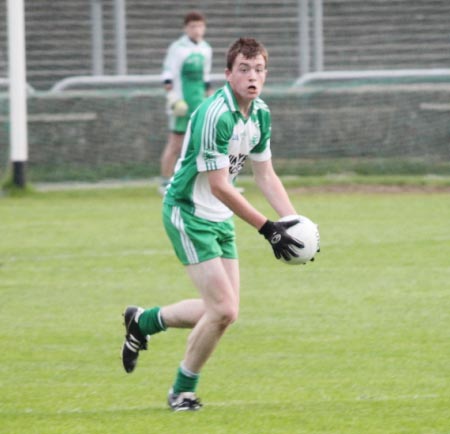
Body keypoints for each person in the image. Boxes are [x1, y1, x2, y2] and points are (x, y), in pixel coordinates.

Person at [122, 37, 304, 411]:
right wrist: (268, 228)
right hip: (187, 212)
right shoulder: (215, 114)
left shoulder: (260, 114)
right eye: (244, 69)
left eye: (258, 70)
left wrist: (293, 222)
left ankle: (143, 322)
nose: (252, 76)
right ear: (227, 74)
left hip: (219, 216)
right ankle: (181, 392)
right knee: (222, 309)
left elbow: (265, 174)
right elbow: (220, 185)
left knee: (224, 310)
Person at [159, 11, 213, 195]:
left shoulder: (206, 48)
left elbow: (206, 78)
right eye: (192, 26)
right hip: (183, 103)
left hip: (199, 102)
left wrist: (209, 98)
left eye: (199, 26)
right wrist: (173, 99)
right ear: (185, 28)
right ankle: (165, 181)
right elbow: (168, 75)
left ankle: (201, 182)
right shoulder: (178, 48)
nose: (196, 30)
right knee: (175, 144)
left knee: (202, 142)